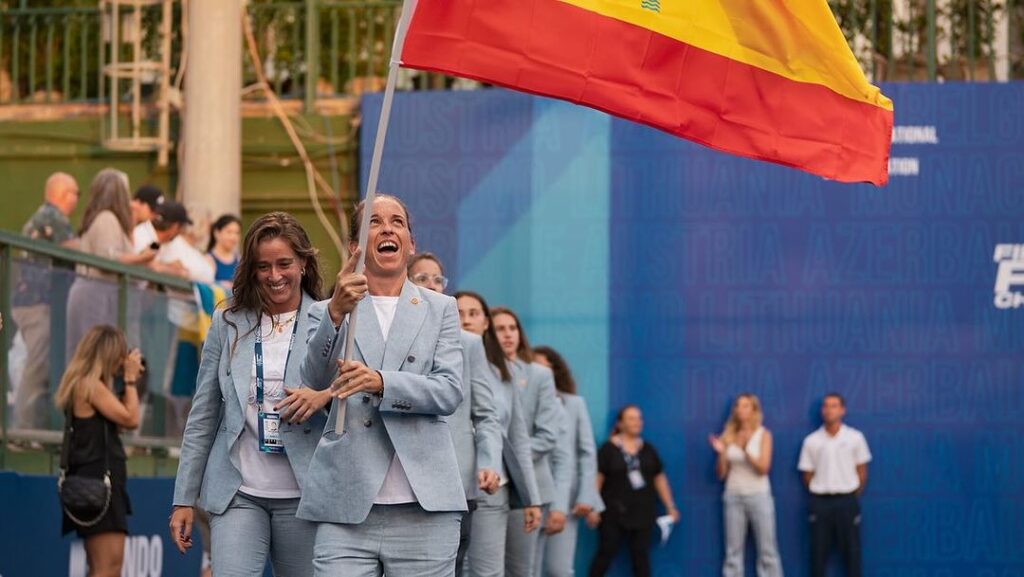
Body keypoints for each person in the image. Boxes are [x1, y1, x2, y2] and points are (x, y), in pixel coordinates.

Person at [298, 195, 466, 577]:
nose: (387, 228)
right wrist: (336, 314)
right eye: (373, 222)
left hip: (425, 508)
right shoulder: (324, 312)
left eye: (397, 222)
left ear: (410, 243)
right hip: (346, 507)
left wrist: (382, 383)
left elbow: (449, 391)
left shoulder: (441, 309)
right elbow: (312, 380)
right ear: (355, 247)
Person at [170, 212, 331, 577]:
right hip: (237, 492)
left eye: (284, 264)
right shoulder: (228, 320)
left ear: (304, 264)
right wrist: (184, 498)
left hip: (304, 495)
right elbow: (203, 413)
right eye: (263, 266)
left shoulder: (328, 320)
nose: (274, 276)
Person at [407, 253, 504, 577]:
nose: (432, 285)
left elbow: (486, 414)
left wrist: (489, 462)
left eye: (438, 279)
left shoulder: (470, 344)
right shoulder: (389, 336)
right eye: (422, 278)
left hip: (457, 481)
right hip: (404, 479)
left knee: (454, 566)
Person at [456, 291, 543, 577]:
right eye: (458, 312)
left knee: (486, 573)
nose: (465, 320)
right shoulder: (429, 365)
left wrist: (531, 497)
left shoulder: (502, 373)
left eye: (474, 313)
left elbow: (517, 440)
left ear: (485, 323)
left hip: (489, 489)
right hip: (441, 488)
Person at [56, 325, 142, 577]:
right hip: (97, 485)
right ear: (107, 354)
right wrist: (129, 380)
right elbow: (131, 418)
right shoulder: (88, 384)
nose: (122, 361)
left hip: (98, 482)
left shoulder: (91, 385)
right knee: (107, 567)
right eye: (119, 354)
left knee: (109, 566)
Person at [490, 306, 564, 577]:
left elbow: (547, 437)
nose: (508, 335)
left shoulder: (539, 375)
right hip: (487, 485)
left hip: (527, 487)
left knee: (522, 571)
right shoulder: (479, 371)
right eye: (500, 329)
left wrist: (499, 457)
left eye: (513, 328)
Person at [11, 172, 79, 429]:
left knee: (41, 363)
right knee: (37, 363)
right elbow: (72, 247)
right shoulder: (52, 215)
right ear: (64, 193)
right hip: (36, 302)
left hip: (32, 301)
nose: (76, 200)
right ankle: (22, 429)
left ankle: (29, 426)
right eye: (76, 193)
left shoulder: (43, 216)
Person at [66, 169, 157, 360]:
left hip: (100, 293)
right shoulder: (106, 218)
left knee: (98, 357)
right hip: (96, 293)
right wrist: (143, 257)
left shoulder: (107, 219)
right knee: (93, 357)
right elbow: (108, 259)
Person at [533, 346, 604, 577]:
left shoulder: (574, 404)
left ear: (555, 371)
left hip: (566, 499)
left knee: (558, 569)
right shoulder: (523, 401)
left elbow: (586, 453)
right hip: (530, 497)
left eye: (545, 368)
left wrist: (586, 497)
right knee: (527, 568)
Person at [589, 405, 679, 577]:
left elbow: (659, 478)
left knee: (641, 558)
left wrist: (670, 506)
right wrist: (593, 507)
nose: (637, 422)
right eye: (631, 418)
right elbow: (597, 479)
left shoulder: (648, 449)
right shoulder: (608, 449)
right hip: (613, 513)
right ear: (620, 423)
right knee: (605, 553)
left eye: (639, 418)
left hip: (643, 513)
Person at [708, 394, 782, 577]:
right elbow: (721, 474)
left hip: (759, 496)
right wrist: (722, 453)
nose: (741, 409)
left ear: (754, 410)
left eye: (746, 406)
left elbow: (763, 468)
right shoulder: (728, 435)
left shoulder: (764, 434)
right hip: (733, 496)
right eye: (738, 406)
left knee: (767, 550)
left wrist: (744, 449)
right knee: (733, 552)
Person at [798, 393, 871, 577]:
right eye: (826, 406)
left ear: (842, 410)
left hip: (847, 502)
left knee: (851, 554)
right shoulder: (812, 441)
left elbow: (861, 471)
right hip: (820, 503)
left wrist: (850, 493)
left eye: (834, 406)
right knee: (818, 555)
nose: (829, 410)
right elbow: (807, 474)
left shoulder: (855, 438)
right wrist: (822, 490)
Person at [206, 214, 242, 287]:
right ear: (217, 233)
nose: (233, 237)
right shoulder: (208, 260)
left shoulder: (240, 260)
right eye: (229, 232)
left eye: (237, 233)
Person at [131, 184, 165, 252]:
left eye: (157, 212)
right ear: (138, 202)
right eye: (152, 209)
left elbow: (154, 245)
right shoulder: (121, 220)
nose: (155, 214)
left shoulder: (146, 225)